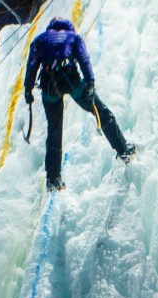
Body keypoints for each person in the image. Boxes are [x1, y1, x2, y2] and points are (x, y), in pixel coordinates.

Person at [24, 17, 136, 191]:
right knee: (101, 112)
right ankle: (123, 150)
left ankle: (53, 179)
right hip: (71, 80)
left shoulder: (40, 39)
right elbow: (84, 60)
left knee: (54, 131)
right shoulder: (73, 37)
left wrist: (28, 90)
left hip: (49, 86)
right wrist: (90, 83)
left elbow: (32, 65)